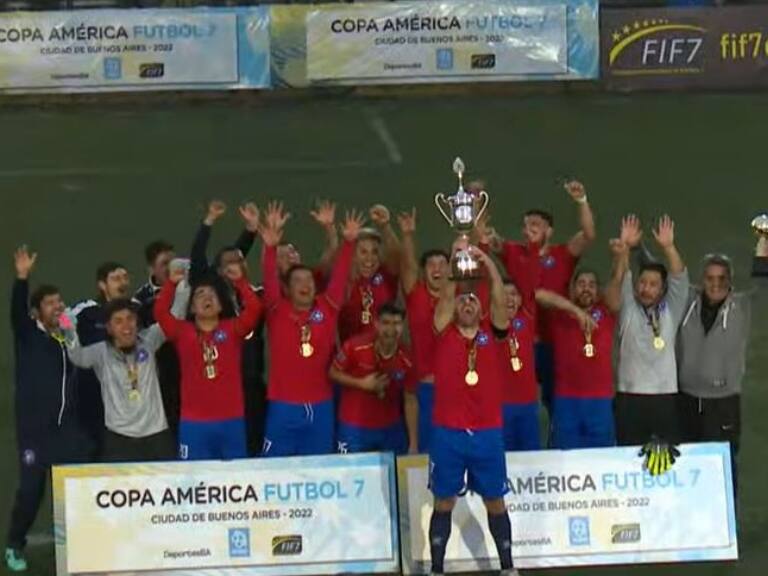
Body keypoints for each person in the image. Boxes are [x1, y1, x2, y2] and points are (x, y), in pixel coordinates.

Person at [428, 240, 518, 576]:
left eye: (472, 300)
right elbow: (447, 296)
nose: (467, 303)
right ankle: (437, 569)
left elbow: (497, 296)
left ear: (482, 311)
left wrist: (486, 261)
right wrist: (455, 259)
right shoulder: (443, 331)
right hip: (447, 432)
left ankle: (508, 568)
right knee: (444, 502)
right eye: (463, 300)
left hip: (487, 432)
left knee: (495, 501)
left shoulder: (493, 336)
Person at [6, 247, 90, 573]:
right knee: (30, 492)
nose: (57, 306)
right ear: (36, 312)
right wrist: (22, 277)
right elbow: (16, 311)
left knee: (75, 492)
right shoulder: (28, 336)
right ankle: (14, 544)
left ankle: (79, 545)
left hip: (68, 432)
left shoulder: (67, 340)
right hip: (34, 434)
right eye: (50, 303)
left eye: (60, 301)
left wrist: (71, 332)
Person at [259, 202, 362, 457]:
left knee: (320, 469)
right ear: (288, 288)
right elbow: (269, 277)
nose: (305, 285)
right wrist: (270, 247)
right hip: (283, 406)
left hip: (321, 406)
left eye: (308, 280)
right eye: (297, 281)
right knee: (275, 470)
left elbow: (338, 276)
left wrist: (349, 243)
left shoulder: (327, 308)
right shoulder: (276, 309)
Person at [488, 180, 596, 414]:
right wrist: (479, 211)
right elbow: (490, 241)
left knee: (555, 403)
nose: (531, 229)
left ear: (549, 231)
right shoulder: (514, 251)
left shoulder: (563, 254)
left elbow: (588, 234)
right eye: (527, 225)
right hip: (519, 340)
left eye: (537, 224)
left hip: (555, 340)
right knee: (514, 401)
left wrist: (581, 201)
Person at [677, 235, 768, 492]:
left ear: (730, 282)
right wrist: (638, 248)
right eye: (710, 278)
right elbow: (667, 279)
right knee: (688, 465)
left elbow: (763, 288)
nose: (715, 284)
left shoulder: (741, 306)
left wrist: (762, 252)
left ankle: (728, 527)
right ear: (702, 279)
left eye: (722, 279)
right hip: (687, 400)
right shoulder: (687, 301)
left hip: (723, 403)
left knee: (724, 466)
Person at [153, 254, 263, 460]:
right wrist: (171, 284)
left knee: (235, 478)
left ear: (221, 306)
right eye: (200, 294)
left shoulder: (233, 329)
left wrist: (240, 282)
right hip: (194, 423)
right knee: (194, 480)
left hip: (231, 420)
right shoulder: (181, 332)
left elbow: (255, 309)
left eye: (213, 295)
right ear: (192, 308)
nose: (208, 298)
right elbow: (160, 312)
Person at [65, 299, 176, 462]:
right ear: (109, 328)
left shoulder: (149, 341)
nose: (126, 326)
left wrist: (180, 285)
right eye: (118, 321)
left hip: (157, 435)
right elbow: (77, 356)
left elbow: (174, 318)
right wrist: (67, 326)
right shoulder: (100, 352)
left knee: (166, 487)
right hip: (120, 439)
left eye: (130, 318)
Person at [612, 214, 689, 445]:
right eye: (642, 283)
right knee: (627, 458)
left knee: (666, 461)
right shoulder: (628, 308)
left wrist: (668, 247)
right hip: (629, 397)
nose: (646, 289)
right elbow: (623, 275)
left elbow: (679, 277)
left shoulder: (671, 311)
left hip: (665, 398)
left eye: (653, 285)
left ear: (663, 289)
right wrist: (624, 247)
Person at [536, 263, 621, 449]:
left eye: (591, 284)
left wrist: (620, 257)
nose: (586, 288)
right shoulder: (560, 314)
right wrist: (575, 311)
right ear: (572, 289)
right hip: (567, 401)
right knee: (565, 457)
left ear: (598, 291)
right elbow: (538, 295)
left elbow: (616, 283)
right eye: (581, 283)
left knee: (602, 457)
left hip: (600, 400)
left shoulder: (606, 312)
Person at [330, 302, 418, 455]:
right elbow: (333, 372)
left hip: (390, 428)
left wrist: (413, 443)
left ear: (403, 326)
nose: (390, 330)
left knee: (393, 477)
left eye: (396, 323)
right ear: (376, 324)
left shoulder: (407, 359)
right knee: (351, 475)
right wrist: (362, 384)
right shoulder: (355, 346)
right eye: (386, 323)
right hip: (354, 427)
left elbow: (410, 399)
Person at [69, 261, 135, 458]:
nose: (122, 283)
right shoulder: (85, 311)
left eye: (125, 277)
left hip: (127, 405)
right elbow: (62, 320)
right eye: (115, 278)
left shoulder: (136, 310)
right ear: (102, 285)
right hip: (93, 403)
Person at [397, 207, 450, 452]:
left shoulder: (457, 296)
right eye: (431, 265)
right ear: (424, 270)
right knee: (430, 451)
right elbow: (407, 267)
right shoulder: (416, 295)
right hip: (426, 387)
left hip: (455, 385)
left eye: (442, 264)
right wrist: (408, 235)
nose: (437, 269)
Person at [133, 240, 182, 436]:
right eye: (164, 264)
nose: (171, 268)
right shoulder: (141, 299)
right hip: (160, 373)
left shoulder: (190, 287)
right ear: (151, 269)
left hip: (191, 367)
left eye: (173, 262)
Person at [338, 204, 402, 342]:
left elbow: (397, 257)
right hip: (351, 359)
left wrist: (385, 227)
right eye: (363, 252)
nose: (369, 259)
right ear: (353, 254)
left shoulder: (385, 277)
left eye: (375, 252)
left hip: (385, 355)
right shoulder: (342, 283)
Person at [499, 279, 540, 451]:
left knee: (530, 457)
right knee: (503, 455)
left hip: (528, 403)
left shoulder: (527, 318)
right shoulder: (487, 325)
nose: (509, 299)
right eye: (504, 294)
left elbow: (534, 289)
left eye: (514, 294)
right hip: (499, 405)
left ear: (521, 300)